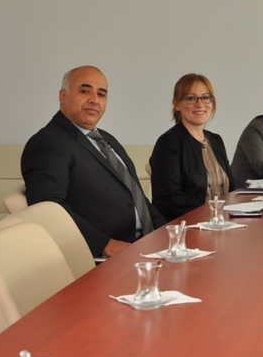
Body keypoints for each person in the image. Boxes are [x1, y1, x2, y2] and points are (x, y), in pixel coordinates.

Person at [21, 66, 166, 257]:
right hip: (104, 258)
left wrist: (167, 233)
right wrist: (106, 245)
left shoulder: (105, 139)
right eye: (84, 91)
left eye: (101, 94)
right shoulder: (48, 142)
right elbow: (47, 208)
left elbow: (136, 196)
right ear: (62, 96)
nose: (94, 100)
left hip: (145, 246)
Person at [150, 74, 232, 222]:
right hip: (187, 226)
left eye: (205, 97)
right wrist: (213, 213)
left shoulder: (216, 141)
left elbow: (231, 188)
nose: (200, 104)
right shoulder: (168, 142)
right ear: (176, 104)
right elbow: (169, 199)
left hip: (221, 223)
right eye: (191, 98)